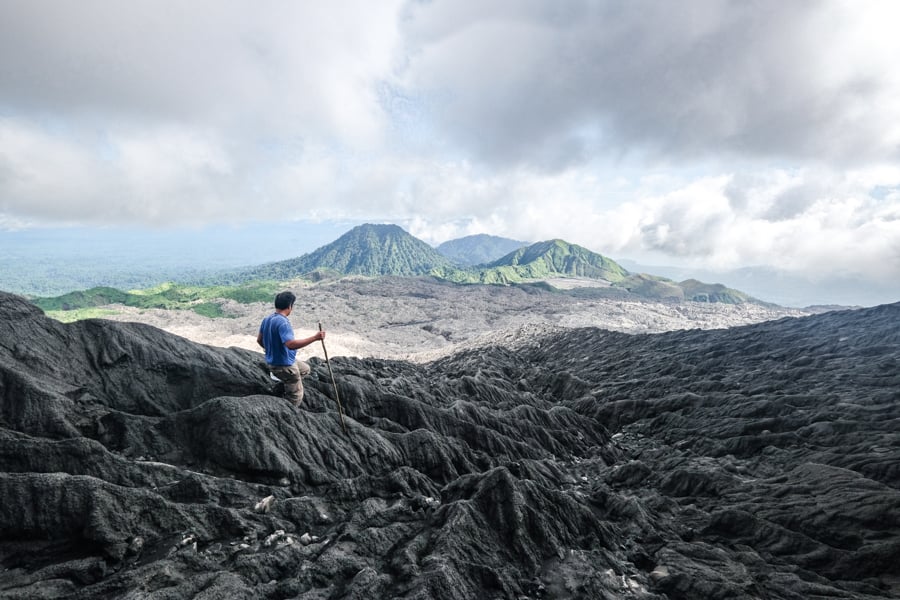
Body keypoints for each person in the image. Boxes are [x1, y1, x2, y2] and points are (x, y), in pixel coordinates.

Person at [257, 291, 325, 407]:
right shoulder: (283, 323)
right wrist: (315, 338)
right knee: (296, 395)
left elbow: (259, 340)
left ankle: (286, 384)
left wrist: (271, 350)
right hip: (284, 365)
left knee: (305, 369)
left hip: (275, 362)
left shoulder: (267, 319)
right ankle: (289, 410)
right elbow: (291, 344)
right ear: (290, 306)